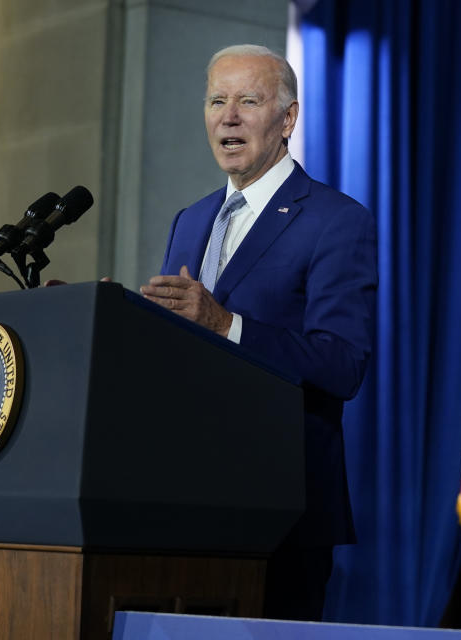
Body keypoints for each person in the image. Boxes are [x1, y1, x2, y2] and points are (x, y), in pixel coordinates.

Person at [139, 44, 377, 620]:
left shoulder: (336, 220)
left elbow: (342, 363)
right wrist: (117, 321)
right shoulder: (191, 220)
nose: (229, 116)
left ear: (288, 118)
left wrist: (227, 324)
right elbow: (180, 346)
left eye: (249, 100)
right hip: (185, 499)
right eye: (217, 100)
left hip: (282, 509)